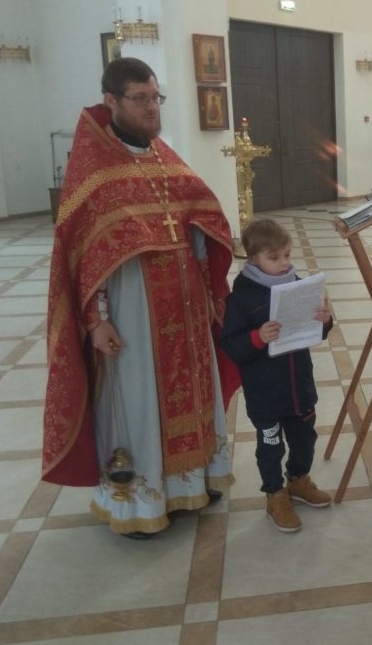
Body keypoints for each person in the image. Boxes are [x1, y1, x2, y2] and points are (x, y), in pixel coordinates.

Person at [43, 57, 241, 539]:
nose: (152, 108)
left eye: (156, 97)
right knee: (139, 399)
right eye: (140, 99)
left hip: (184, 306)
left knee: (192, 389)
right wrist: (96, 320)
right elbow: (82, 259)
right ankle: (141, 501)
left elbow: (198, 216)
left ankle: (193, 481)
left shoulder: (162, 157)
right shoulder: (93, 171)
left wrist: (210, 276)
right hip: (131, 310)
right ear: (111, 101)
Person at [219, 219, 333, 533]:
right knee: (270, 446)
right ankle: (274, 494)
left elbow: (317, 332)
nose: (284, 263)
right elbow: (231, 346)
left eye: (287, 255)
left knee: (305, 439)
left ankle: (298, 480)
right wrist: (257, 338)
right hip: (265, 394)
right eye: (274, 257)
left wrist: (324, 320)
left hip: (300, 387)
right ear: (253, 258)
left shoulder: (295, 285)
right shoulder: (242, 298)